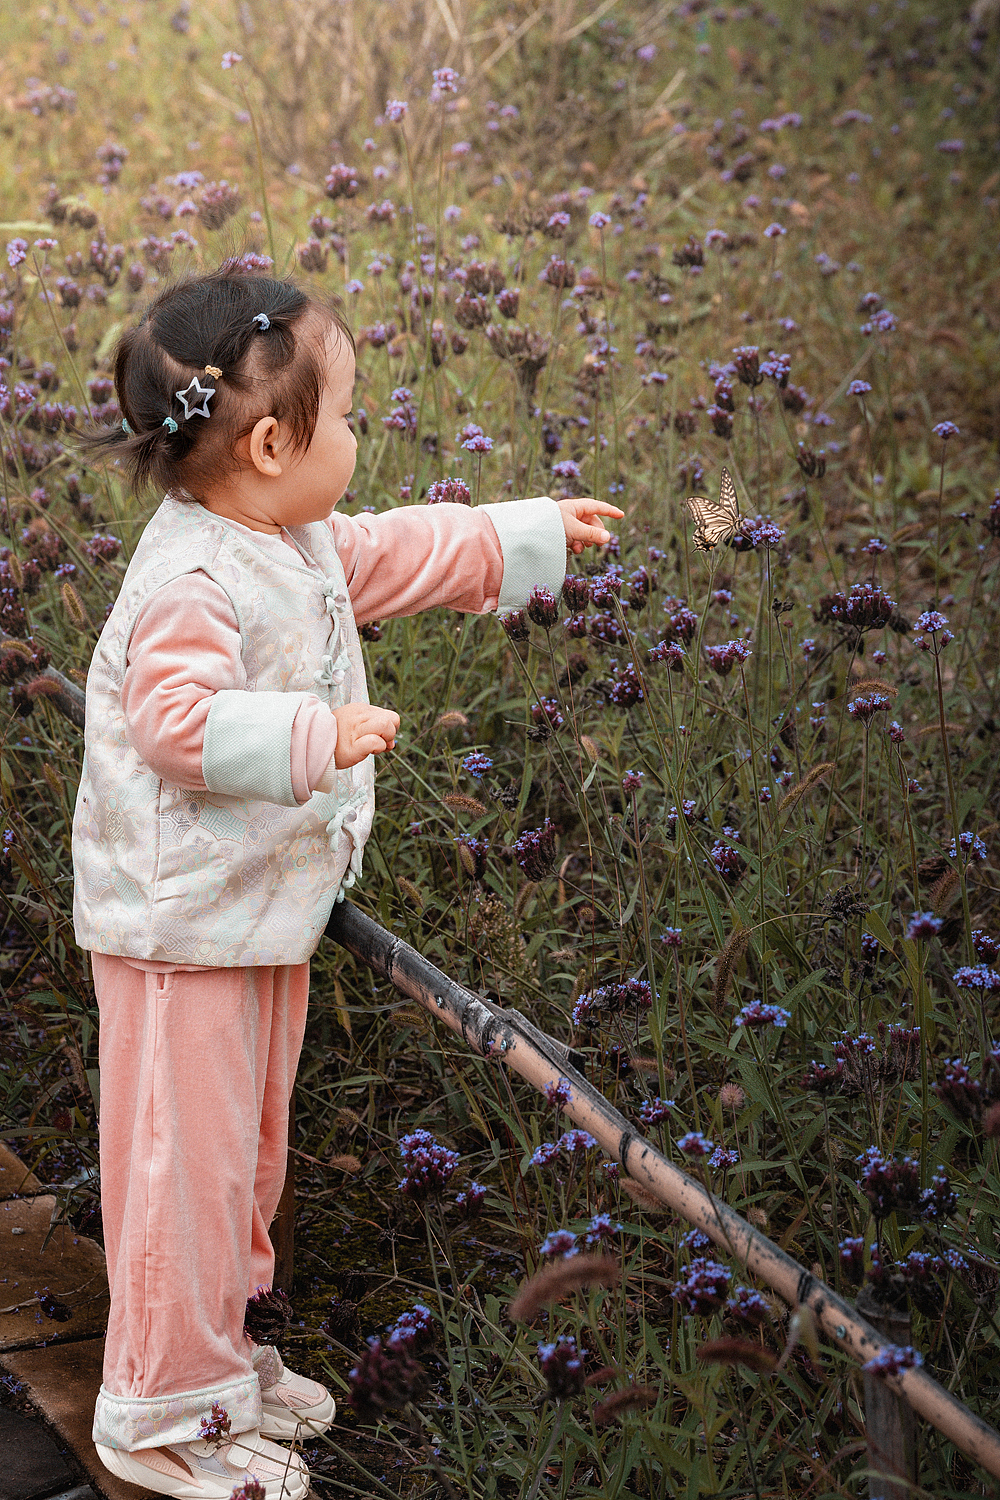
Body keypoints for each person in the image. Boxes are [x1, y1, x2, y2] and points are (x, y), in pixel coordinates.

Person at [72, 264, 622, 1499]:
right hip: (177, 931)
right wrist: (313, 735)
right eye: (351, 413)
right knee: (182, 1174)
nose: (362, 435)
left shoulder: (287, 535)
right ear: (271, 445)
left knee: (242, 1161)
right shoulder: (191, 580)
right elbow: (174, 724)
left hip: (250, 913)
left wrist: (520, 534)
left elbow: (383, 553)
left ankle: (220, 1361)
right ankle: (160, 1415)